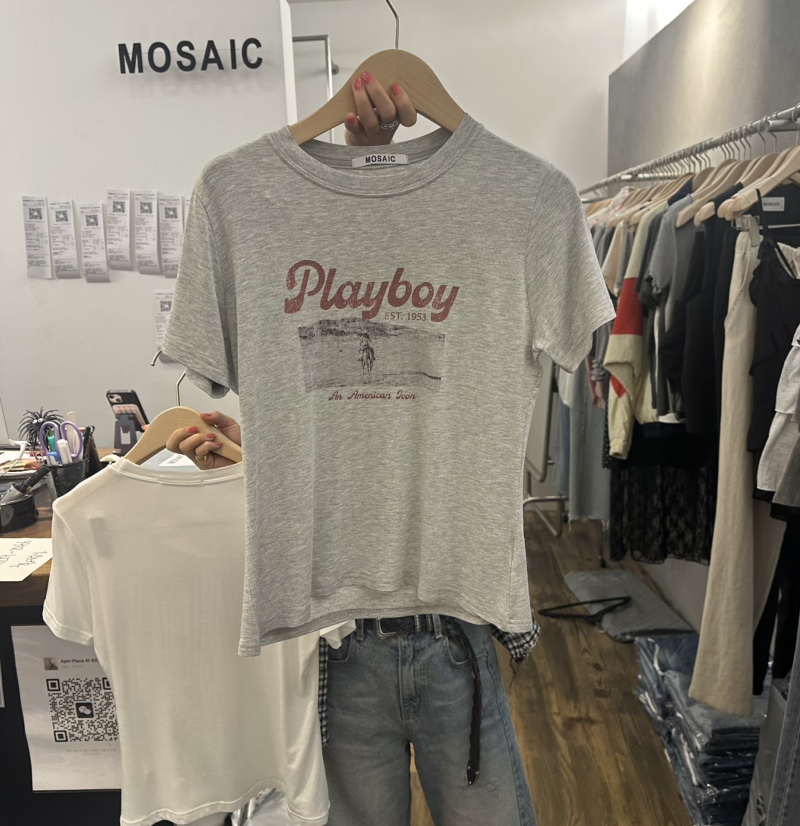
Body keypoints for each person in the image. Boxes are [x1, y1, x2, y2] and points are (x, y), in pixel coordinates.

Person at [166, 76, 538, 826]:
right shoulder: (234, 198)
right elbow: (300, 406)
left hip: (456, 622)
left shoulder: (525, 199)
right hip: (328, 638)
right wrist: (252, 449)